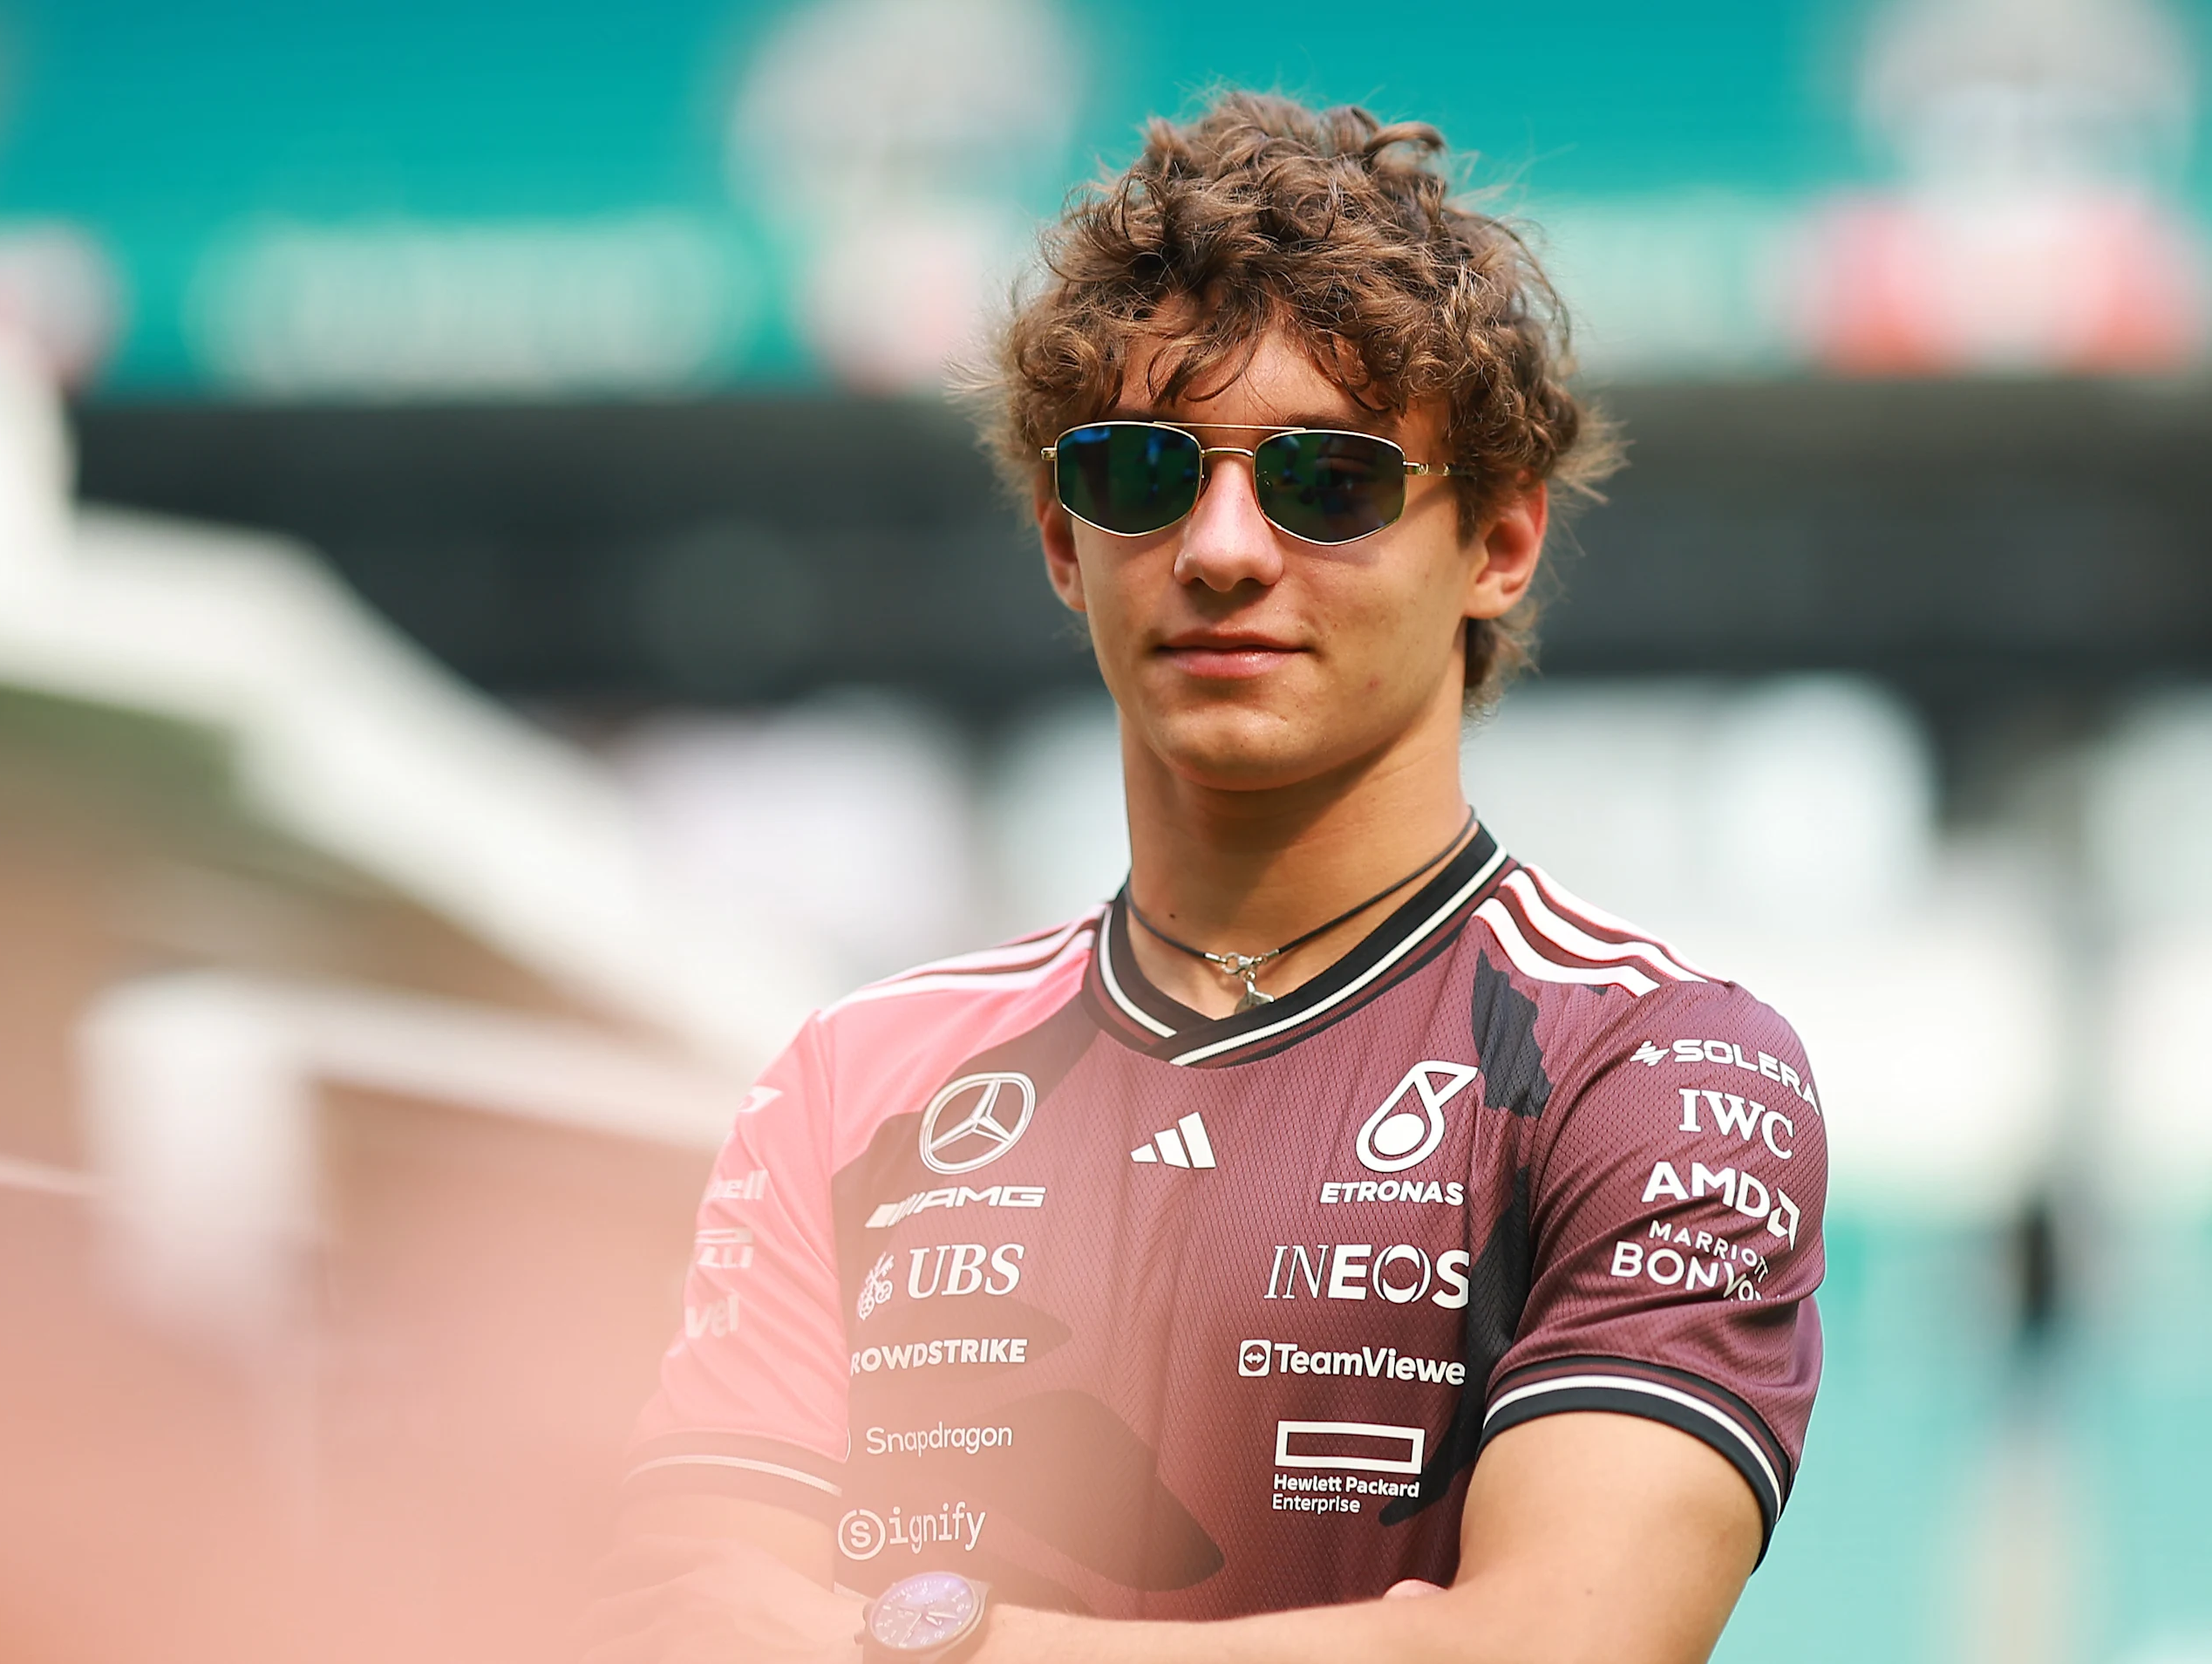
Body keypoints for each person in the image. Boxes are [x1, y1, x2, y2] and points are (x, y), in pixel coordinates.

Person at [584, 90, 1827, 1664]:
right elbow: (681, 1630)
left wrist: (923, 1642)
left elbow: (1559, 1645)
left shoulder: (1652, 1067)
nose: (1224, 547)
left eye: (1328, 482)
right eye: (1140, 475)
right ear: (1061, 540)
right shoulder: (854, 1081)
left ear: (1499, 544)